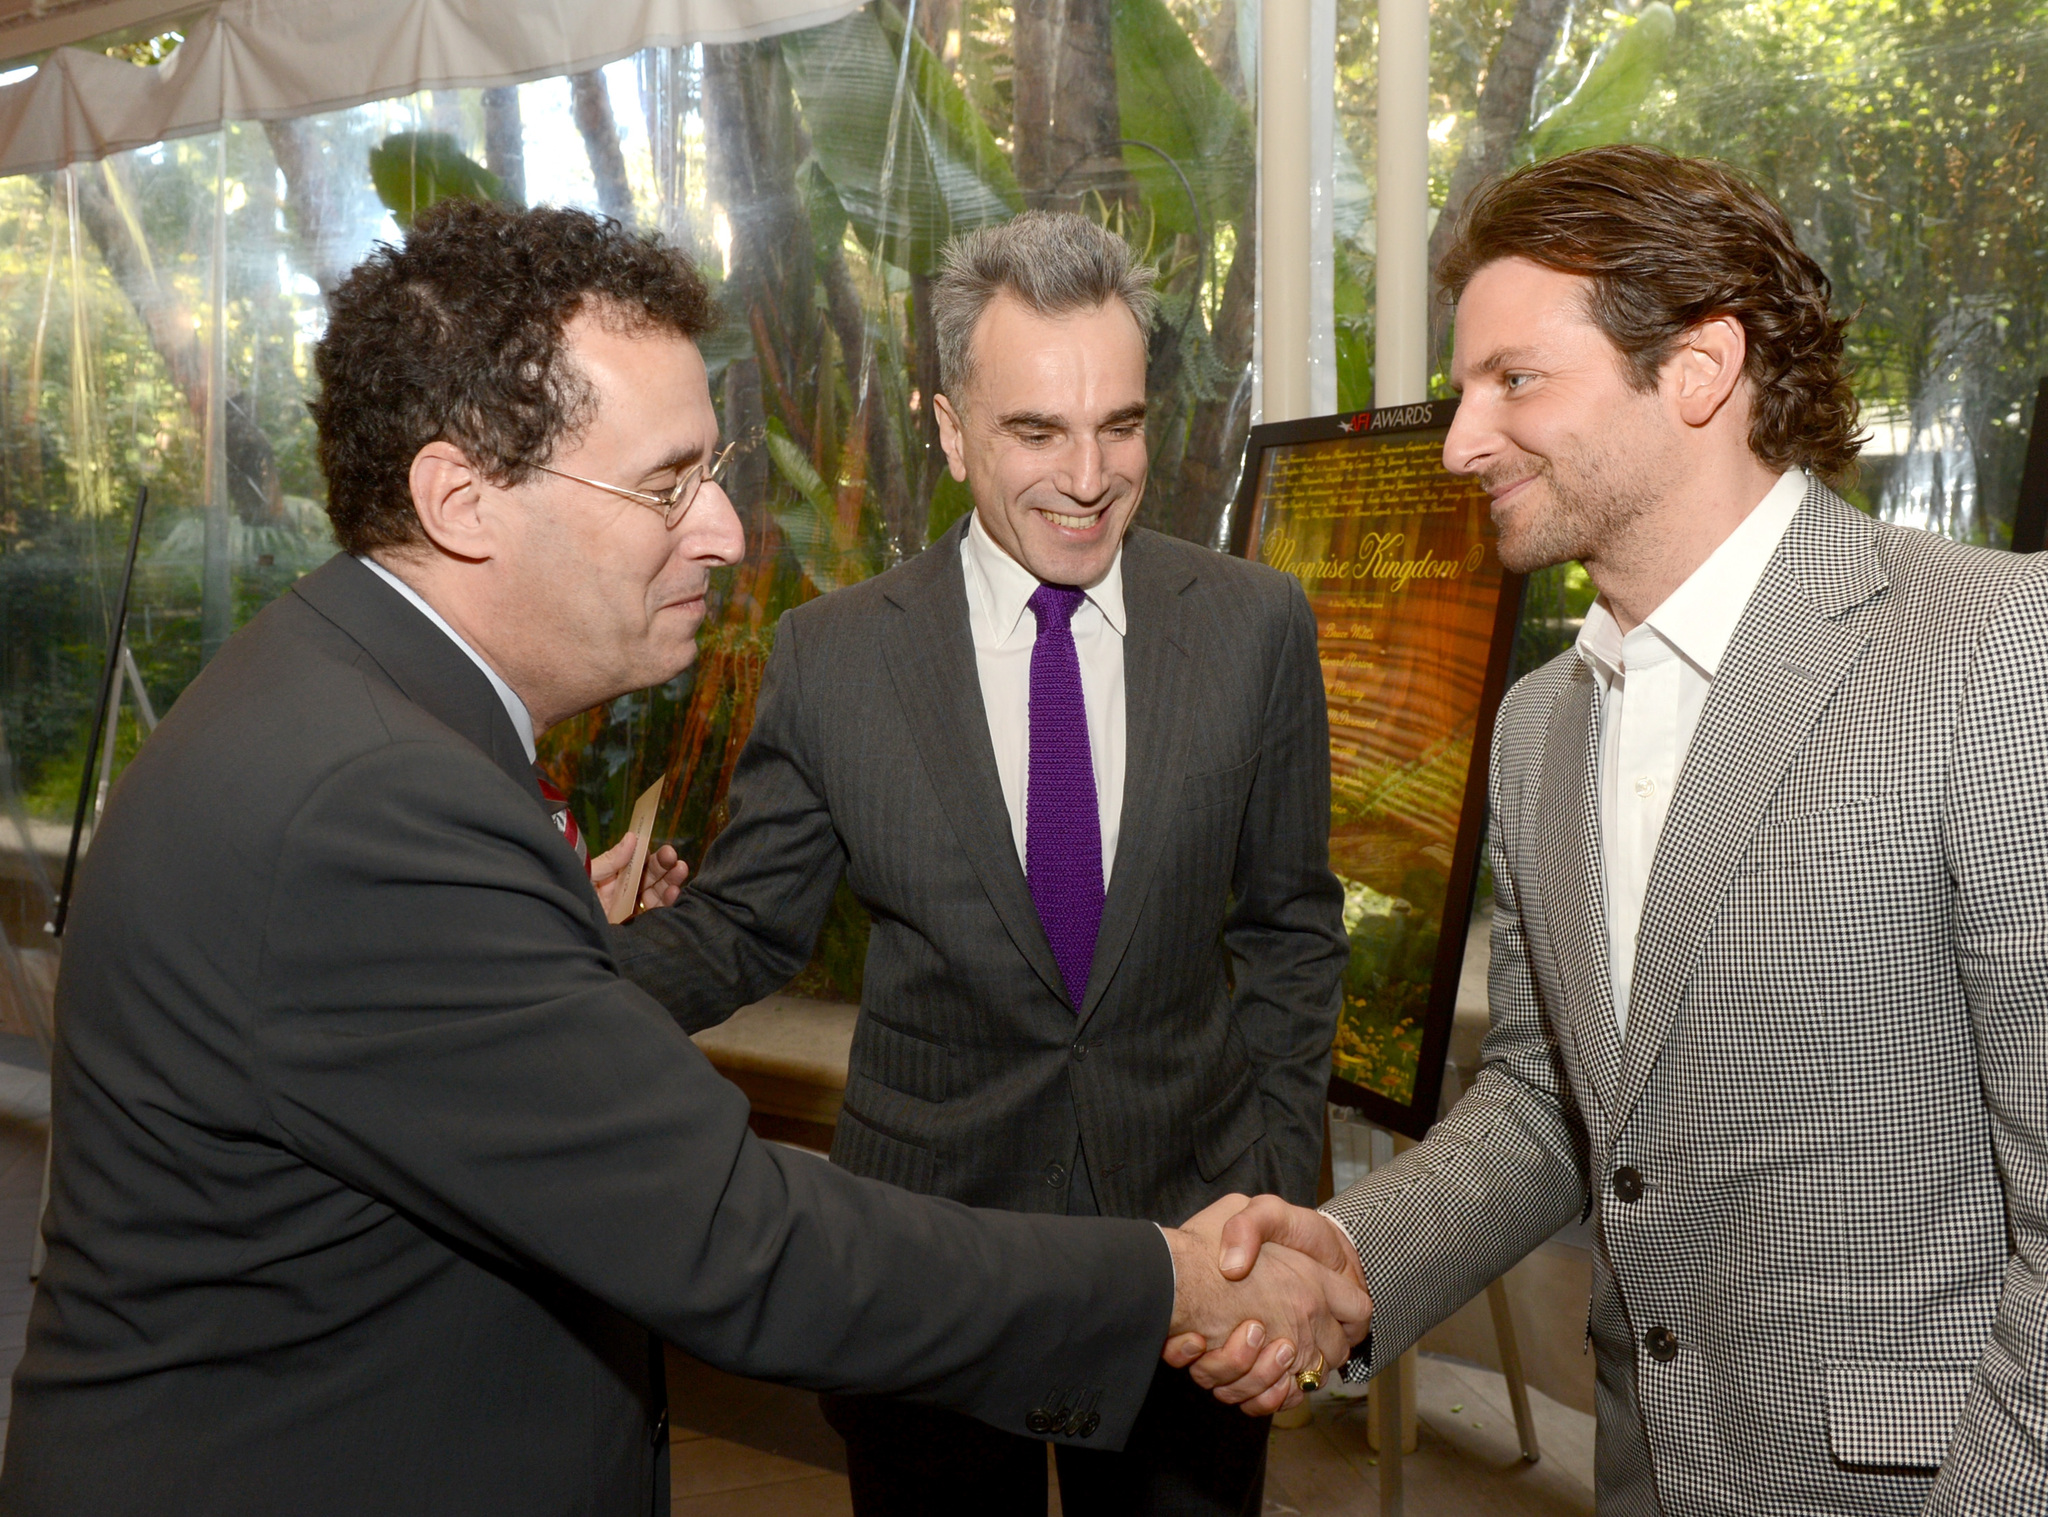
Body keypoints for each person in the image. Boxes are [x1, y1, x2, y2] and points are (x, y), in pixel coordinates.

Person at [0, 201, 1370, 1517]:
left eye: (1120, 423)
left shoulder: (340, 715)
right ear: (462, 500)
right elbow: (738, 1231)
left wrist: (551, 958)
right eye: (672, 483)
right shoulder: (377, 801)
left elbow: (1290, 929)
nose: (721, 531)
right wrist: (1170, 1283)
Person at [1205, 143, 2048, 1513]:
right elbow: (1556, 1097)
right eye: (1464, 387)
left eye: (1515, 380)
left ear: (1700, 369)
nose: (1462, 439)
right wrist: (1348, 1262)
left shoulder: (1997, 649)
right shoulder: (1543, 724)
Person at [613, 210, 1349, 1514]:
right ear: (949, 428)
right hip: (928, 1269)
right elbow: (739, 933)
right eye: (1034, 431)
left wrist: (1276, 1200)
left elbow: (1291, 927)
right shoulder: (837, 658)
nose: (1089, 474)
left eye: (1119, 425)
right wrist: (532, 976)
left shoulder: (1254, 628)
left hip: (1192, 1257)